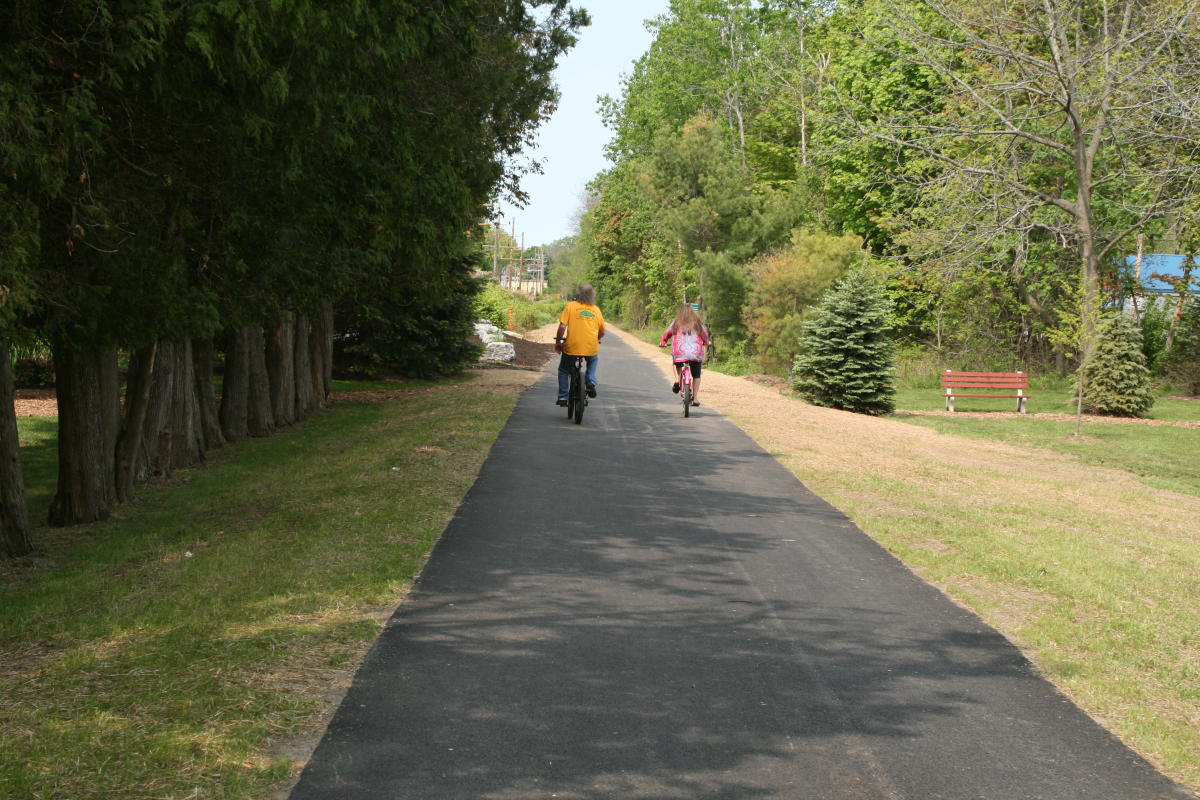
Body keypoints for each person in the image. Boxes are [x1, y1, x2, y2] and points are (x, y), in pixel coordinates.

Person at [554, 284, 605, 406]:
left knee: (563, 370)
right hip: (590, 347)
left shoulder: (571, 306)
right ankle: (590, 381)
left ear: (578, 294)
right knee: (593, 359)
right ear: (592, 295)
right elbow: (602, 331)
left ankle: (563, 397)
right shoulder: (596, 309)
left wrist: (558, 342)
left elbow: (562, 327)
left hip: (572, 346)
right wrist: (597, 339)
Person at [659, 303, 709, 407]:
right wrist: (707, 342)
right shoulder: (698, 323)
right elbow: (704, 336)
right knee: (696, 375)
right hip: (695, 354)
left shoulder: (676, 323)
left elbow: (667, 333)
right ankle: (695, 398)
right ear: (693, 312)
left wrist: (663, 342)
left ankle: (677, 380)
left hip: (680, 352)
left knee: (676, 362)